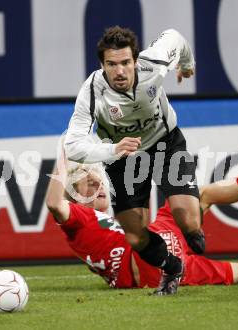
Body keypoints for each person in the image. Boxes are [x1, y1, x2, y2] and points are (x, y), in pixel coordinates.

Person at [45, 157, 238, 294]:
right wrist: (63, 157)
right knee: (199, 197)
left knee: (201, 198)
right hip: (147, 260)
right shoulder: (76, 218)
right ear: (72, 195)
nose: (97, 185)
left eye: (98, 181)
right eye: (88, 184)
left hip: (164, 254)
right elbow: (54, 204)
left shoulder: (97, 222)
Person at [64, 26, 203, 294]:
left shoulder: (154, 64)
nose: (119, 71)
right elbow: (73, 145)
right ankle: (172, 267)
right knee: (135, 237)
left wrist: (187, 65)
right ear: (102, 65)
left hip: (165, 143)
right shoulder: (93, 91)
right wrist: (113, 150)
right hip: (123, 158)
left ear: (136, 61)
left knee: (189, 223)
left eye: (126, 62)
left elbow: (176, 37)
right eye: (111, 64)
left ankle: (191, 233)